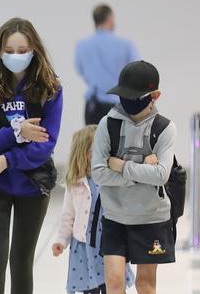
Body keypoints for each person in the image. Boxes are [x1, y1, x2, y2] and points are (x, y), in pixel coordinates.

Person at [0, 17, 63, 294]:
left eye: (22, 50)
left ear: (34, 49)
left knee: (22, 260)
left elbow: (45, 144)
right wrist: (18, 131)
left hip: (32, 183)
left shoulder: (50, 89)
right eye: (9, 51)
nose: (16, 56)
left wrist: (6, 159)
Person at [92, 60, 176, 294]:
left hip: (151, 218)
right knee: (114, 282)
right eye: (123, 95)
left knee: (145, 285)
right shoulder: (107, 124)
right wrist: (140, 172)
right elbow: (98, 172)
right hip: (115, 215)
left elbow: (161, 175)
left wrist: (121, 166)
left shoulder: (165, 128)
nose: (127, 101)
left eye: (135, 96)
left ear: (154, 95)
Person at [52, 125, 134, 294]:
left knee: (114, 284)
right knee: (90, 287)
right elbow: (68, 216)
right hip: (84, 247)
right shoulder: (75, 184)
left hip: (109, 244)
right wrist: (61, 240)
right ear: (85, 153)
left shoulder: (110, 179)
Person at [75, 4, 140, 125]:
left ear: (95, 21)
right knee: (119, 143)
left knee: (93, 142)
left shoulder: (82, 46)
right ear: (110, 19)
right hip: (119, 106)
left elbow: (80, 70)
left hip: (93, 107)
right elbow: (137, 72)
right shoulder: (125, 45)